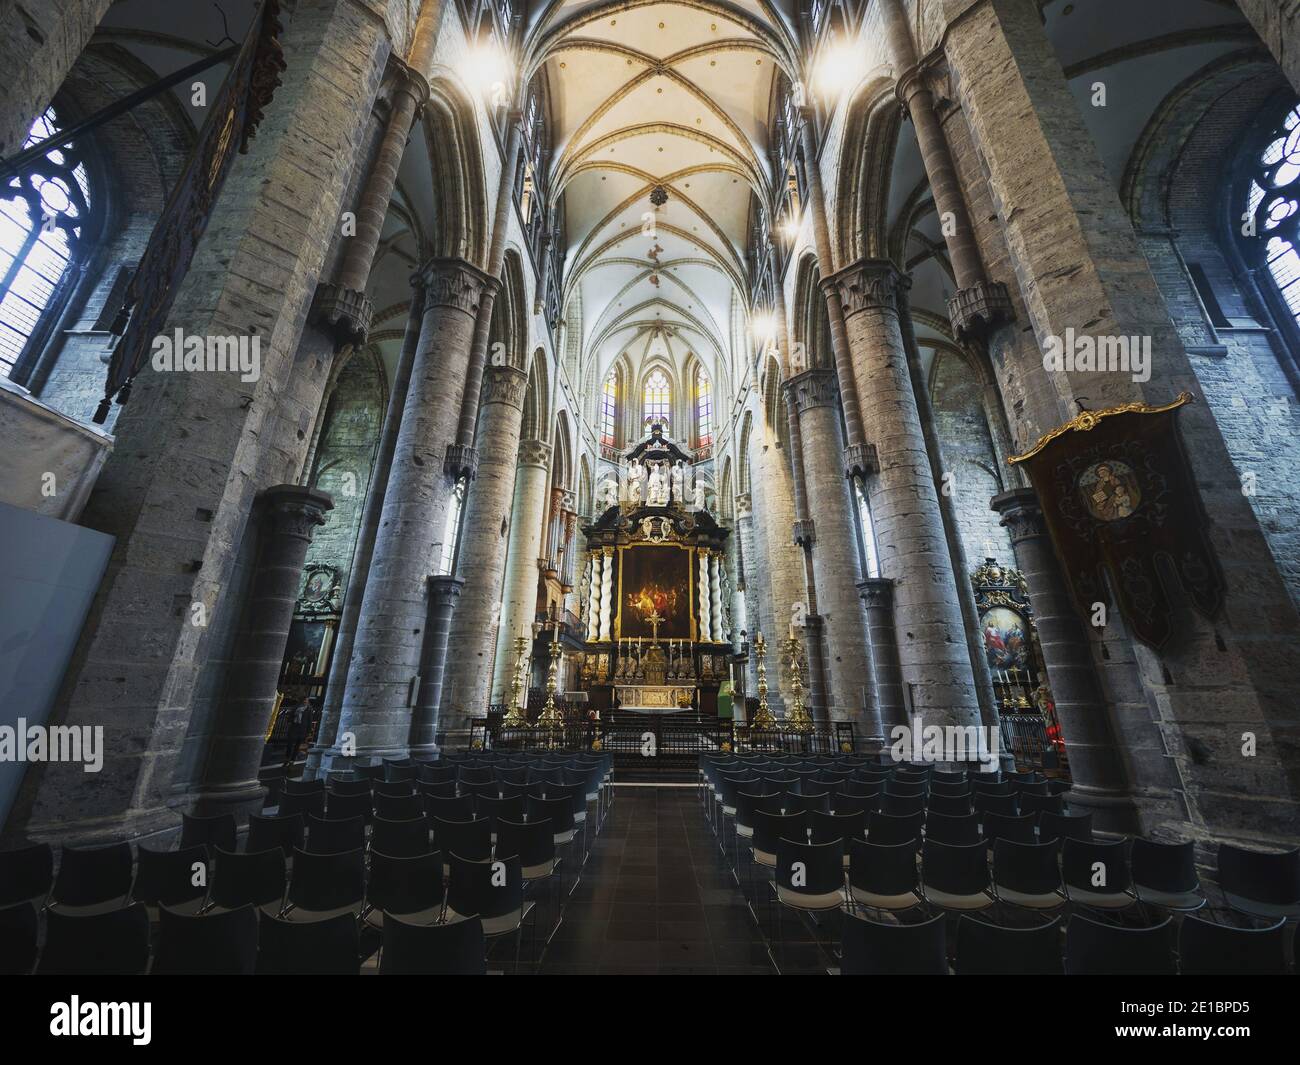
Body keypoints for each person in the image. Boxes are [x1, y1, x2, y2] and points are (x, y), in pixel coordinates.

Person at [283, 695, 313, 766]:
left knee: (297, 745)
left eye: (307, 700)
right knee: (290, 744)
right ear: (302, 700)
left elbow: (310, 720)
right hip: (294, 726)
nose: (306, 701)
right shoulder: (296, 707)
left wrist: (308, 731)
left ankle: (292, 760)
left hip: (302, 728)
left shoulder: (309, 709)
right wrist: (290, 721)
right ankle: (287, 758)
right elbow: (290, 716)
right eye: (305, 700)